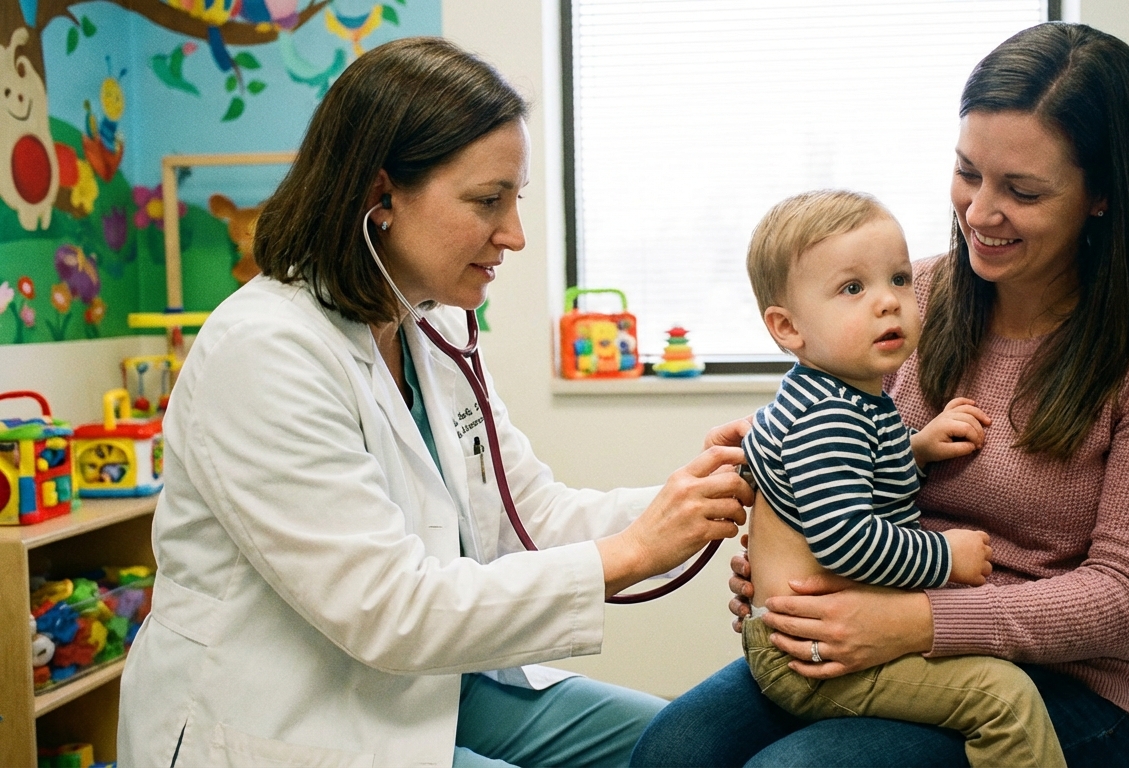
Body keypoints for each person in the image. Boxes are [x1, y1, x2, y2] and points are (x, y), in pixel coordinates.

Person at [117, 37, 753, 768]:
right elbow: (389, 610)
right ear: (379, 195)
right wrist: (635, 551)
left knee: (689, 746)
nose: (513, 235)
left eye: (514, 200)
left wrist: (706, 493)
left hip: (426, 685)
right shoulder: (263, 352)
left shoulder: (431, 324)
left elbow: (528, 516)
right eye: (488, 202)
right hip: (290, 712)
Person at [632, 21, 1129, 768]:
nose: (978, 212)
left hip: (1060, 684)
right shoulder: (913, 295)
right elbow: (852, 464)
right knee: (670, 751)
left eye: (1023, 191)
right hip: (870, 624)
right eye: (968, 172)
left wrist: (915, 620)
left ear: (1102, 195)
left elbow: (1127, 598)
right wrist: (792, 555)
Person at [736, 189, 1065, 768]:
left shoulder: (841, 395)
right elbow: (848, 540)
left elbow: (858, 475)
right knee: (1005, 699)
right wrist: (946, 556)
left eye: (899, 279)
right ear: (787, 327)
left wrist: (916, 449)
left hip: (819, 634)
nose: (888, 302)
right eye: (852, 289)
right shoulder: (830, 416)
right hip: (811, 653)